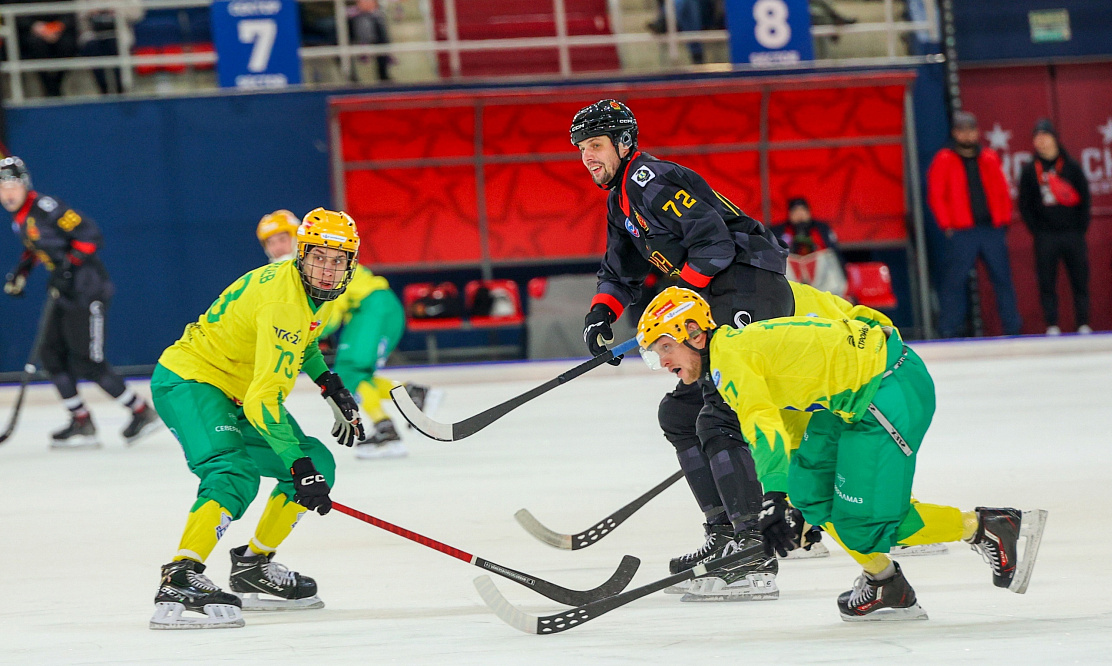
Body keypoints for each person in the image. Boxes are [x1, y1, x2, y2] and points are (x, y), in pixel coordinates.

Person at [636, 286, 1048, 620]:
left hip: (888, 392)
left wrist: (775, 496)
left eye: (664, 347)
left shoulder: (731, 361)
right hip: (857, 398)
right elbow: (787, 419)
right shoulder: (736, 349)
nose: (662, 360)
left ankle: (986, 526)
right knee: (812, 494)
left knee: (864, 526)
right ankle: (886, 583)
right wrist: (793, 499)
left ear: (693, 333)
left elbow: (762, 423)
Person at [573, 99, 795, 600]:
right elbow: (620, 270)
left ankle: (751, 548)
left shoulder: (649, 179)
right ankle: (723, 535)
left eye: (596, 146)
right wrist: (601, 314)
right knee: (680, 414)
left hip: (747, 286)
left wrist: (675, 306)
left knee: (719, 415)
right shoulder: (620, 201)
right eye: (582, 148)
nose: (588, 156)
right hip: (718, 291)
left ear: (623, 144)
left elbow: (715, 246)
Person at [149, 208, 365, 630]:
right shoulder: (284, 303)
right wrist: (297, 467)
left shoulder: (303, 289)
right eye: (319, 257)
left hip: (238, 389)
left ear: (350, 265)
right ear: (303, 254)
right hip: (192, 380)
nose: (326, 269)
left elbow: (304, 344)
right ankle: (180, 575)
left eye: (337, 260)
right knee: (234, 472)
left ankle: (253, 565)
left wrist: (330, 385)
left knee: (317, 462)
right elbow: (264, 401)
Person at [1, 156, 160, 448]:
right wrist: (21, 272)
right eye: (1, 188)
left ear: (25, 185)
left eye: (12, 185)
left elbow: (90, 236)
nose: (7, 193)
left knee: (87, 361)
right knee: (50, 354)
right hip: (64, 292)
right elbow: (38, 248)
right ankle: (81, 420)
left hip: (88, 291)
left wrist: (68, 266)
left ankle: (141, 411)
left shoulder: (46, 207)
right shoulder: (21, 218)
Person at [255, 210, 440, 460]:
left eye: (282, 238)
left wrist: (308, 331)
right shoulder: (306, 259)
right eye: (271, 241)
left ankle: (389, 428)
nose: (277, 246)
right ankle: (406, 400)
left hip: (371, 308)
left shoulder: (303, 264)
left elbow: (330, 305)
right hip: (374, 308)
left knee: (349, 371)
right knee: (357, 374)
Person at [927, 110, 1022, 338]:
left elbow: (1002, 190)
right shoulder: (944, 159)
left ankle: (1013, 328)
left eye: (972, 130)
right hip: (962, 232)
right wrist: (947, 225)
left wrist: (1004, 219)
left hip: (991, 229)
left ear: (977, 132)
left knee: (1002, 279)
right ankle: (949, 329)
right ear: (955, 133)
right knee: (954, 282)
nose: (968, 135)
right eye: (963, 130)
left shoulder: (989, 157)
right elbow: (936, 195)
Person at [1018, 119, 1092, 336]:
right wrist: (1038, 230)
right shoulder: (1031, 169)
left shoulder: (1071, 166)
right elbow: (1025, 204)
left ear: (1054, 138)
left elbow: (1084, 199)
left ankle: (1083, 323)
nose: (1040, 142)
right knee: (1047, 281)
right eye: (1036, 137)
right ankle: (1052, 324)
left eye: (1045, 136)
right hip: (1046, 236)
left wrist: (1079, 228)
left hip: (1072, 234)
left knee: (1079, 279)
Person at [770, 197, 847, 298]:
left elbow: (834, 254)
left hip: (820, 276)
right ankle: (787, 296)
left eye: (802, 210)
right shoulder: (779, 231)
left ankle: (833, 296)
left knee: (829, 256)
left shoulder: (821, 228)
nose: (800, 215)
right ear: (789, 214)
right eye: (795, 211)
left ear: (809, 212)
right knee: (780, 259)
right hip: (791, 276)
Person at [14, 0, 78, 97]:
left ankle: (56, 84)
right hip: (31, 30)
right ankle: (50, 86)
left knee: (68, 45)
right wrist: (36, 27)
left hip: (61, 30)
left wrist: (57, 26)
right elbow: (16, 9)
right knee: (34, 45)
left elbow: (71, 10)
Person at [349, 0, 392, 83]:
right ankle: (366, 48)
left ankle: (382, 59)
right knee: (364, 20)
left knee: (377, 19)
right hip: (346, 13)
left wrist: (371, 3)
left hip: (366, 10)